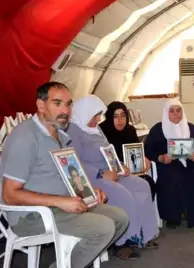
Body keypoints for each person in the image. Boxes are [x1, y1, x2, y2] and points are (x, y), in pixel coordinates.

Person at [0, 82, 129, 268]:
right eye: (57, 103)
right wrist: (60, 201)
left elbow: (69, 175)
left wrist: (89, 192)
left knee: (120, 218)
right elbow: (10, 195)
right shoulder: (25, 138)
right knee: (103, 228)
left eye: (68, 104)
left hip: (63, 204)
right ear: (40, 105)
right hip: (32, 216)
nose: (65, 110)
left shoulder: (60, 134)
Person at [67, 95, 160, 259]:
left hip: (110, 172)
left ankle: (144, 234)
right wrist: (100, 173)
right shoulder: (73, 131)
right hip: (91, 177)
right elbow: (74, 162)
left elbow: (108, 151)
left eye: (98, 115)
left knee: (141, 185)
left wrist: (119, 167)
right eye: (94, 115)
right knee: (122, 193)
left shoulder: (96, 129)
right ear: (84, 113)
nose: (97, 119)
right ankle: (123, 241)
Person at [144, 98, 194, 228]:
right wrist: (160, 158)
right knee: (174, 178)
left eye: (179, 111)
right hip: (168, 164)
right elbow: (148, 150)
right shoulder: (158, 130)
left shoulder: (190, 127)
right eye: (172, 111)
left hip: (189, 162)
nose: (176, 114)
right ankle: (173, 216)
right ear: (166, 113)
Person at [99, 101, 156, 199]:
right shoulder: (101, 133)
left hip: (133, 172)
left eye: (123, 116)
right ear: (109, 117)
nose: (120, 120)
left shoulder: (130, 131)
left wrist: (144, 160)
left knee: (148, 182)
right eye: (115, 116)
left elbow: (137, 152)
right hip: (114, 175)